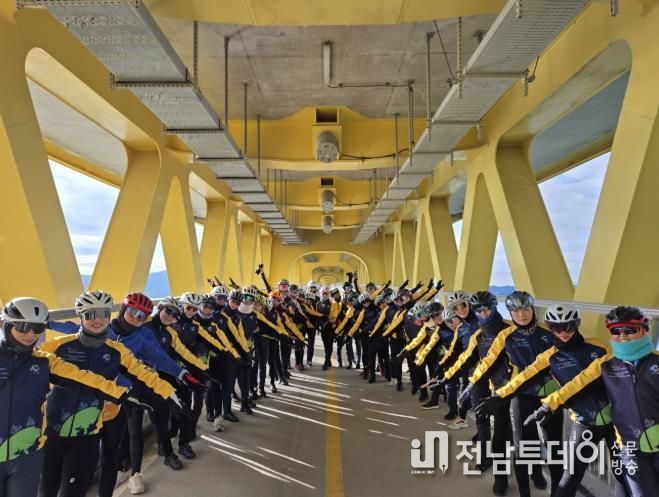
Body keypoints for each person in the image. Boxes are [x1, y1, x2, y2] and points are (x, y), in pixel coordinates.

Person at [0, 297, 132, 497]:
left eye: (37, 328)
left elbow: (83, 378)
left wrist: (122, 394)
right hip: (46, 440)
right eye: (23, 327)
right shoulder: (55, 348)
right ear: (7, 325)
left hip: (27, 455)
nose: (31, 334)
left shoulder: (45, 361)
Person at [524, 306, 658, 497]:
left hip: (616, 427)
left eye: (630, 330)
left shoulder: (599, 348)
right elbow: (576, 384)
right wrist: (547, 405)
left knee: (620, 476)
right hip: (587, 425)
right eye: (616, 330)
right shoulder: (605, 362)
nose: (623, 336)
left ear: (644, 330)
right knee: (571, 476)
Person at [463, 291, 561, 497]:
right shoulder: (481, 336)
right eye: (479, 310)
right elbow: (482, 363)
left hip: (530, 391)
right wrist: (471, 384)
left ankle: (536, 472)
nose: (483, 313)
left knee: (536, 439)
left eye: (525, 309)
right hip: (504, 391)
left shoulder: (521, 329)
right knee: (505, 437)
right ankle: (501, 478)